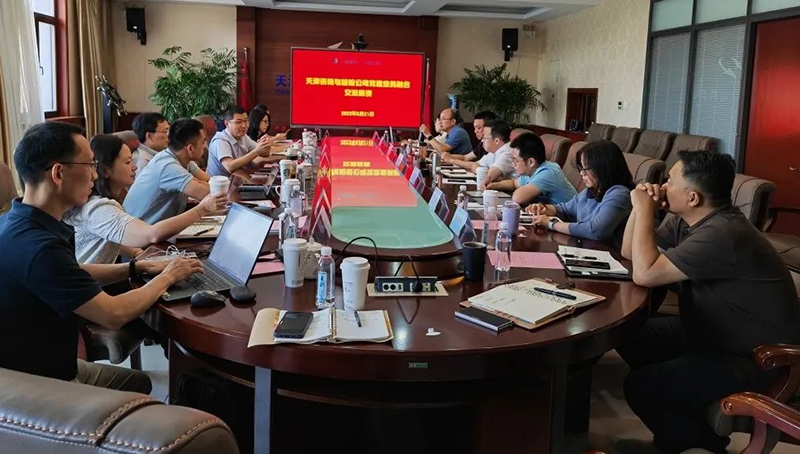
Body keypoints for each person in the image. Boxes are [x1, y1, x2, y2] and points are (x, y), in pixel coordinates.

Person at [618, 150, 800, 453]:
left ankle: (699, 440)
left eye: (670, 181)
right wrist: (640, 210)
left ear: (692, 198)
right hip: (711, 333)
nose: (662, 186)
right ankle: (682, 403)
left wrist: (644, 209)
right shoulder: (688, 221)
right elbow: (629, 252)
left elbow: (645, 274)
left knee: (642, 386)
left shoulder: (722, 233)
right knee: (628, 333)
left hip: (752, 358)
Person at [0, 122, 202, 391]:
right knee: (141, 391)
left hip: (39, 370)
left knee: (138, 383)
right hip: (40, 388)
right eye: (89, 165)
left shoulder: (16, 222)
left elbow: (72, 271)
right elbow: (114, 314)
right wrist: (168, 276)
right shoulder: (39, 247)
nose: (95, 175)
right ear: (58, 173)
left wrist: (136, 268)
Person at [65, 134, 227, 264]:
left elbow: (109, 238)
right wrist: (202, 209)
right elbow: (153, 234)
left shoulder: (106, 201)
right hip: (93, 287)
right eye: (128, 162)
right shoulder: (98, 208)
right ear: (106, 170)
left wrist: (136, 253)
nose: (135, 167)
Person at [528, 141, 632, 250]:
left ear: (603, 168)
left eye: (586, 169)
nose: (582, 173)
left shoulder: (619, 194)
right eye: (581, 168)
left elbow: (596, 230)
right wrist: (544, 208)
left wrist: (551, 224)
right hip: (585, 249)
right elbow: (565, 210)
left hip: (607, 254)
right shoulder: (591, 191)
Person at [123, 118, 212, 224]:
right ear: (190, 149)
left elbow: (211, 181)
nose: (205, 146)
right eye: (203, 142)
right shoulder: (167, 166)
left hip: (159, 227)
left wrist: (203, 184)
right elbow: (207, 193)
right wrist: (202, 184)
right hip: (140, 231)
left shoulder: (183, 159)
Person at [487, 132, 576, 205]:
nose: (513, 164)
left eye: (516, 160)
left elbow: (518, 198)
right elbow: (514, 183)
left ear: (531, 162)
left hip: (567, 219)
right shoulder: (532, 170)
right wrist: (492, 185)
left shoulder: (548, 172)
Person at [131, 112, 209, 182]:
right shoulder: (142, 162)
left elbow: (207, 179)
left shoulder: (176, 152)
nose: (169, 135)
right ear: (149, 136)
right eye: (165, 131)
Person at [207, 106, 273, 178]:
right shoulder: (220, 140)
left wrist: (265, 144)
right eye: (238, 122)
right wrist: (256, 151)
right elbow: (229, 166)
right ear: (227, 124)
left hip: (237, 178)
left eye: (246, 121)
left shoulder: (243, 137)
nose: (244, 126)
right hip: (220, 183)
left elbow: (264, 153)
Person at [446, 119, 515, 186]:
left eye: (485, 137)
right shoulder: (494, 151)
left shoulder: (507, 152)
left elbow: (488, 176)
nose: (482, 141)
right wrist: (451, 160)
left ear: (496, 141)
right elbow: (473, 165)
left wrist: (481, 171)